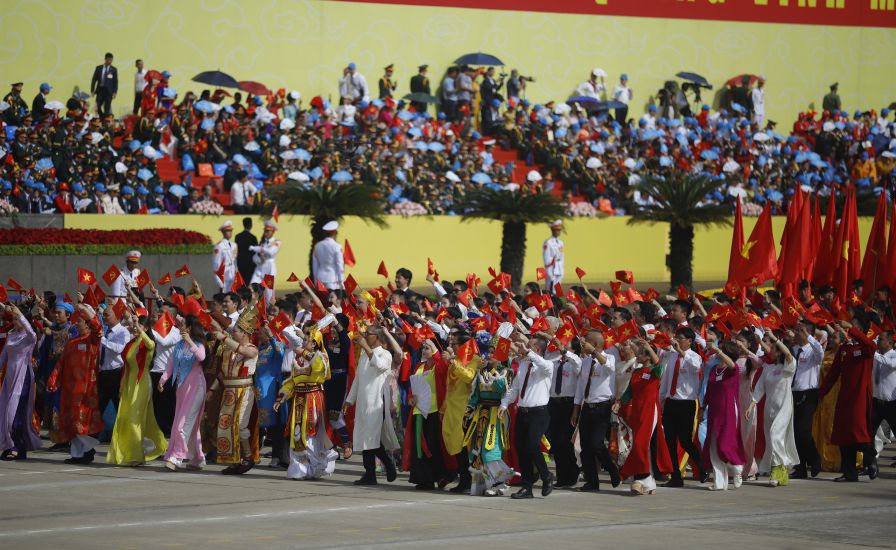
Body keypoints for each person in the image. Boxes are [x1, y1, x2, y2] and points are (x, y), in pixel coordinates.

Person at [275, 327, 338, 480]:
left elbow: (317, 368)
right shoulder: (299, 359)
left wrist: (303, 352)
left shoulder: (321, 357)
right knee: (297, 434)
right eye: (304, 341)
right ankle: (300, 469)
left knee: (311, 434)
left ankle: (315, 467)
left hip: (313, 399)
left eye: (307, 340)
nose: (304, 343)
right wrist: (281, 396)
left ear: (315, 343)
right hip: (299, 399)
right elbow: (293, 380)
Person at [820, 320, 878, 482]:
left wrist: (851, 329)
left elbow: (871, 347)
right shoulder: (844, 349)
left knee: (858, 432)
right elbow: (833, 374)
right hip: (844, 397)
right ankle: (849, 473)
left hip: (860, 397)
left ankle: (870, 457)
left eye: (849, 330)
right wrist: (821, 393)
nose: (846, 332)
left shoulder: (865, 348)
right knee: (843, 434)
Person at [107, 313, 168, 466]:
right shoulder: (131, 343)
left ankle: (136, 455)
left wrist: (141, 331)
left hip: (142, 383)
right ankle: (160, 446)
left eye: (139, 325)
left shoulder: (147, 343)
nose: (135, 328)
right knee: (129, 418)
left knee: (135, 419)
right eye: (134, 325)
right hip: (129, 384)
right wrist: (122, 384)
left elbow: (151, 345)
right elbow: (126, 367)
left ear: (146, 328)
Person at [499, 333, 555, 499]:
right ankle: (527, 486)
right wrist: (504, 403)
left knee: (532, 446)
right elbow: (515, 388)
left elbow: (544, 365)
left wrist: (529, 353)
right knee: (521, 449)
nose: (523, 349)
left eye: (528, 346)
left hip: (539, 413)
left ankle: (546, 476)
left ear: (537, 349)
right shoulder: (524, 365)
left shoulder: (547, 366)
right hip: (522, 412)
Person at [343, 325, 399, 485]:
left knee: (370, 438)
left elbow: (380, 365)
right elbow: (358, 379)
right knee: (365, 437)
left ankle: (384, 465)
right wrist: (349, 399)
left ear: (378, 337)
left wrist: (366, 347)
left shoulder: (385, 354)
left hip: (376, 402)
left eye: (369, 334)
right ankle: (371, 474)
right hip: (363, 401)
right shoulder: (363, 355)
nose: (365, 335)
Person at [47, 304, 104, 464]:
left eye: (79, 321)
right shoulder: (71, 343)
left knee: (82, 423)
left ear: (87, 323)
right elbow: (61, 364)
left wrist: (87, 311)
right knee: (72, 422)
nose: (76, 324)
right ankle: (78, 454)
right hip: (70, 391)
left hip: (86, 390)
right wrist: (53, 381)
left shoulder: (93, 340)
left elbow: (98, 328)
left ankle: (86, 451)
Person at [617, 338, 673, 495]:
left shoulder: (655, 371)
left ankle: (642, 479)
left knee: (641, 445)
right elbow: (629, 391)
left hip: (650, 412)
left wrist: (648, 346)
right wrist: (620, 403)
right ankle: (649, 482)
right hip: (637, 412)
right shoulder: (636, 371)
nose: (638, 355)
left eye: (641, 354)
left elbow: (660, 366)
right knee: (641, 445)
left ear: (648, 356)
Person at [209, 304, 260, 475]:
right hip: (229, 391)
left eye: (236, 331)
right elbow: (223, 374)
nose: (233, 333)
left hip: (244, 390)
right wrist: (212, 390)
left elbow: (245, 352)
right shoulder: (229, 351)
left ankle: (247, 457)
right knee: (226, 426)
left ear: (245, 333)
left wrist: (223, 337)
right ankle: (234, 460)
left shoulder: (251, 348)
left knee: (239, 425)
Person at [746, 332, 799, 487]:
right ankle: (782, 469)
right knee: (772, 440)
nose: (772, 351)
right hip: (770, 408)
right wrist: (751, 405)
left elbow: (788, 354)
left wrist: (776, 339)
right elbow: (759, 389)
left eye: (775, 349)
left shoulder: (788, 367)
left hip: (784, 406)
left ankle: (776, 470)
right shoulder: (768, 368)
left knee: (775, 435)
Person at [465, 340, 515, 496]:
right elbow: (475, 396)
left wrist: (496, 372)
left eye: (494, 353)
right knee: (477, 450)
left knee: (490, 449)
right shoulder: (480, 373)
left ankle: (499, 482)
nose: (489, 356)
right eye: (489, 352)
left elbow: (502, 389)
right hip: (481, 414)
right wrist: (469, 411)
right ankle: (491, 484)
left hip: (496, 414)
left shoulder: (506, 372)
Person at [660, 326, 708, 487]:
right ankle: (675, 476)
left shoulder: (694, 356)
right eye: (676, 337)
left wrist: (682, 352)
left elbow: (695, 368)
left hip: (686, 403)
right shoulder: (672, 357)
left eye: (681, 338)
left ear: (689, 341)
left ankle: (702, 466)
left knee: (686, 440)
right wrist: (662, 399)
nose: (677, 340)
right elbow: (666, 379)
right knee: (670, 441)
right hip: (671, 402)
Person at [571, 330, 619, 492]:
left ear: (596, 344)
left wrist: (594, 352)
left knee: (597, 443)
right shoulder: (585, 362)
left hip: (602, 407)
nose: (582, 344)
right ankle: (592, 481)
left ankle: (612, 469)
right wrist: (576, 410)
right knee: (585, 447)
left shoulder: (609, 358)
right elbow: (580, 387)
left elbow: (609, 367)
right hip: (587, 407)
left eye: (587, 342)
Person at [160, 316, 208, 471]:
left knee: (184, 423)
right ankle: (197, 458)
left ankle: (177, 456)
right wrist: (162, 380)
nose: (179, 328)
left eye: (182, 325)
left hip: (196, 387)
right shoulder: (179, 345)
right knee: (187, 424)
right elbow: (171, 364)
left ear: (189, 328)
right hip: (181, 388)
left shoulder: (199, 344)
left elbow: (201, 357)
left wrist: (191, 342)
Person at [701, 339, 746, 491]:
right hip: (714, 410)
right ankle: (719, 483)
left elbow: (733, 365)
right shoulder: (714, 370)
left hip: (728, 409)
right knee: (713, 445)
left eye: (721, 350)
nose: (717, 352)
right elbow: (710, 390)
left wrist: (718, 351)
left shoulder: (733, 369)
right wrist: (703, 406)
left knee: (725, 443)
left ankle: (737, 468)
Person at [442, 331, 482, 493]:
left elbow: (469, 377)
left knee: (463, 447)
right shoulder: (456, 360)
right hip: (452, 409)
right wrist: (443, 407)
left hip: (465, 410)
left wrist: (454, 362)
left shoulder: (474, 359)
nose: (451, 347)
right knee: (454, 445)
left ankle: (466, 481)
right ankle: (463, 479)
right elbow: (449, 387)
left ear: (465, 346)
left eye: (455, 344)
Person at [0, 303, 41, 460]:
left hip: (22, 378)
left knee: (14, 414)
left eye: (16, 319)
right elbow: (3, 356)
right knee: (4, 412)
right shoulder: (12, 335)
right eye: (14, 318)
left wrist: (21, 315)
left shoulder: (29, 337)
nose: (14, 321)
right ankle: (11, 445)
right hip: (9, 380)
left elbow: (32, 332)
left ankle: (18, 446)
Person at [791, 321, 823, 478]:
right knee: (794, 433)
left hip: (808, 393)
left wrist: (810, 337)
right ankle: (800, 467)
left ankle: (814, 458)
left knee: (803, 431)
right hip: (793, 393)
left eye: (799, 331)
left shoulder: (813, 351)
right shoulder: (794, 349)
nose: (796, 333)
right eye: (796, 330)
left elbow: (821, 354)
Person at [254, 324, 288, 468]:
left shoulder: (278, 346)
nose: (260, 335)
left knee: (276, 426)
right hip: (259, 391)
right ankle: (254, 454)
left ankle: (276, 456)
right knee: (258, 425)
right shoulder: (259, 349)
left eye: (263, 333)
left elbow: (280, 355)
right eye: (260, 332)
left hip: (272, 390)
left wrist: (273, 338)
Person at [98, 303, 132, 424]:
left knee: (119, 405)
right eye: (103, 315)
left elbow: (119, 349)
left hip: (116, 374)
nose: (104, 317)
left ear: (117, 316)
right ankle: (93, 435)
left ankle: (124, 434)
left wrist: (103, 340)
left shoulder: (123, 332)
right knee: (99, 405)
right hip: (103, 373)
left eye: (107, 315)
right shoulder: (105, 332)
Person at [250, 220, 281, 299]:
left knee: (269, 291)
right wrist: (258, 258)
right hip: (260, 267)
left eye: (268, 231)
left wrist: (260, 249)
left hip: (269, 267)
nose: (266, 232)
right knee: (252, 286)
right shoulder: (262, 243)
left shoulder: (276, 242)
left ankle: (268, 308)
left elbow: (271, 252)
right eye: (265, 230)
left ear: (273, 231)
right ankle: (252, 307)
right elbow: (255, 257)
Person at [312, 220, 344, 290]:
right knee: (332, 300)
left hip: (320, 278)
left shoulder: (317, 246)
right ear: (335, 233)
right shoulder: (337, 246)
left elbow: (315, 266)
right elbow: (339, 265)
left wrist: (315, 281)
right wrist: (341, 281)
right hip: (333, 280)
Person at [91, 52, 118, 117]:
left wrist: (115, 92)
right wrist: (92, 90)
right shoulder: (99, 68)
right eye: (109, 59)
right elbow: (94, 79)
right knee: (98, 106)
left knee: (107, 108)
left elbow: (115, 81)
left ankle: (104, 121)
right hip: (100, 90)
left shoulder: (114, 69)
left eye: (111, 60)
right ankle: (102, 116)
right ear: (105, 59)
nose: (110, 61)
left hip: (109, 91)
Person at [213, 220, 237, 292]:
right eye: (227, 231)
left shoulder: (233, 245)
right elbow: (216, 265)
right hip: (224, 273)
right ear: (223, 232)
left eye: (230, 230)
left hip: (232, 272)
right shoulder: (219, 246)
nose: (230, 233)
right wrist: (218, 280)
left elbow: (234, 260)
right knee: (224, 295)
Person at [235, 217, 258, 288]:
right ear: (251, 225)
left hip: (240, 263)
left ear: (243, 224)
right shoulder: (253, 237)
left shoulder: (238, 236)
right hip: (250, 264)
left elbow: (236, 250)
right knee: (249, 284)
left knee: (241, 283)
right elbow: (255, 252)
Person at [543, 220, 564, 293]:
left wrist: (562, 269)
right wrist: (548, 271)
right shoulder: (548, 242)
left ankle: (556, 302)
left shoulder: (561, 242)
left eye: (559, 230)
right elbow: (546, 257)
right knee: (550, 289)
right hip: (552, 268)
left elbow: (562, 257)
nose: (558, 232)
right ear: (552, 230)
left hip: (559, 267)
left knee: (557, 288)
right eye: (556, 230)